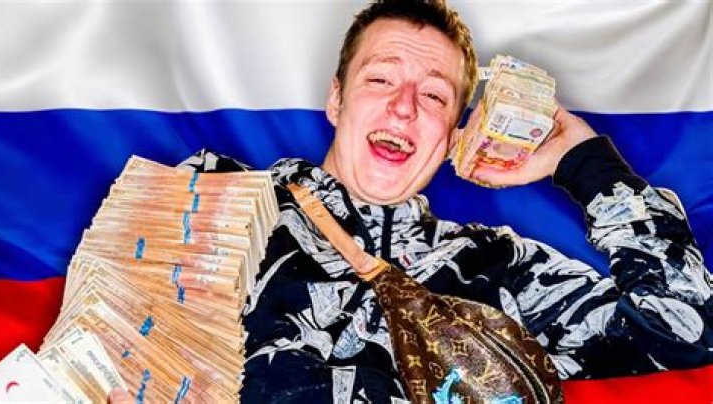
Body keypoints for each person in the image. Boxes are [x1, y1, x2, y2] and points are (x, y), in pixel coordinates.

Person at [112, 0, 712, 402]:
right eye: (380, 79)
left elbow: (687, 329)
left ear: (453, 135)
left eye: (434, 96)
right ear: (336, 100)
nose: (403, 107)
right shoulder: (212, 196)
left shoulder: (496, 269)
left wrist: (583, 164)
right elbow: (110, 351)